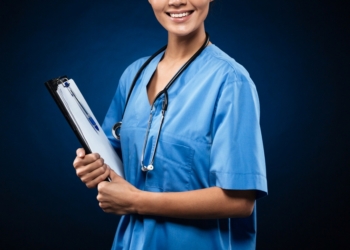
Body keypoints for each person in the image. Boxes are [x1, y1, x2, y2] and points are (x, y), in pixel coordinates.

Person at [73, 0, 267, 249]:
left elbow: (240, 202)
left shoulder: (231, 82)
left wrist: (137, 201)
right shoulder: (134, 75)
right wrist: (93, 166)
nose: (176, 1)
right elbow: (116, 162)